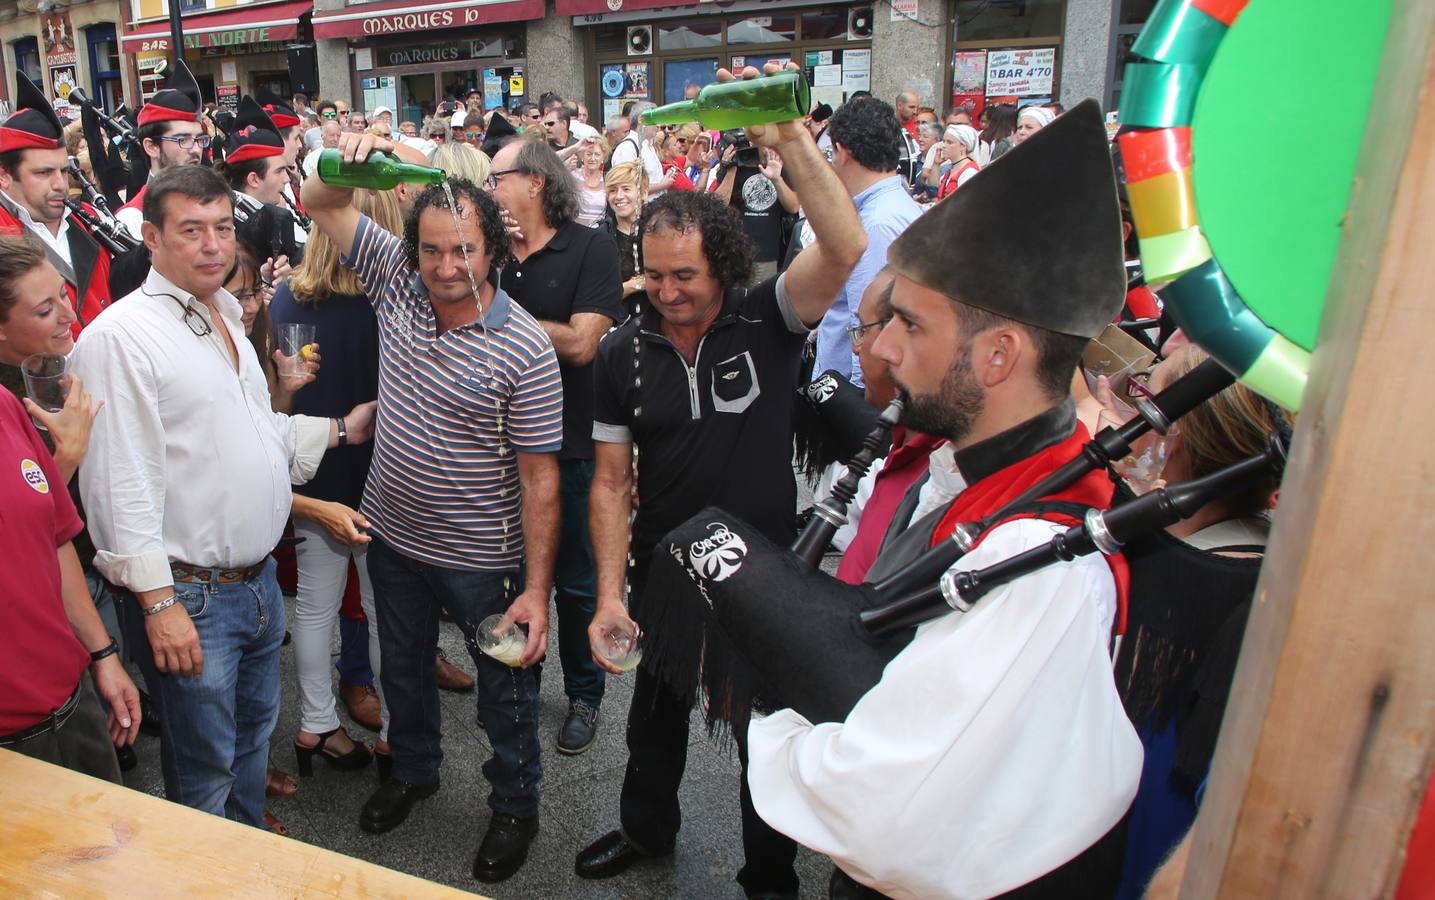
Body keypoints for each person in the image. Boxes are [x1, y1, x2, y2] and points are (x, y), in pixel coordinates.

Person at [737, 100, 1142, 899]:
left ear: (997, 356)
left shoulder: (1039, 562)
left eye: (911, 327)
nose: (881, 348)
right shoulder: (963, 469)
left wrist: (773, 716)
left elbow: (878, 811)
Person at [575, 61, 867, 898]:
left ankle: (769, 876)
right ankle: (644, 830)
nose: (667, 292)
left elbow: (844, 246)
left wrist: (786, 139)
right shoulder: (620, 353)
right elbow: (606, 482)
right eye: (654, 274)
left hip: (767, 571)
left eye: (686, 276)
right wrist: (606, 596)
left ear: (724, 264)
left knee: (764, 738)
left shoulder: (767, 316)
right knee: (653, 724)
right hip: (665, 570)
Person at [72, 165, 376, 829]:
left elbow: (252, 432)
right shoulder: (119, 338)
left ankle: (241, 855)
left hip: (257, 584)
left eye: (222, 228)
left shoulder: (225, 316)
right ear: (150, 237)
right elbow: (117, 484)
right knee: (204, 770)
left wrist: (340, 427)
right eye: (191, 230)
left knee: (245, 748)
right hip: (192, 597)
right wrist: (157, 604)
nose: (214, 245)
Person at [303, 133, 561, 883]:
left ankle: (516, 806)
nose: (447, 267)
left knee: (504, 697)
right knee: (406, 675)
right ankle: (413, 774)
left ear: (495, 252)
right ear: (411, 249)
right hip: (394, 539)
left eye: (466, 251)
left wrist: (536, 590)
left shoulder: (525, 350)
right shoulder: (394, 280)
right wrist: (351, 152)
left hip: (485, 560)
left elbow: (541, 481)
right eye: (433, 250)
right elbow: (319, 194)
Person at [1109, 338, 1287, 900]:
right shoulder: (1283, 572)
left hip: (1130, 847)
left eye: (1145, 403)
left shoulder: (1147, 571)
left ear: (1172, 436)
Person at [487, 137, 624, 755]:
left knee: (571, 580)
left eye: (497, 178)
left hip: (570, 442)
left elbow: (582, 343)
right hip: (495, 446)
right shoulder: (490, 255)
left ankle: (584, 695)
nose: (490, 190)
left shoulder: (592, 246)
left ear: (536, 182)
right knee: (512, 572)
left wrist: (497, 313)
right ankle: (520, 679)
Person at [270, 188, 402, 787]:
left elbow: (283, 393)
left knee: (317, 608)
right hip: (384, 475)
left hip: (314, 472)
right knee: (384, 612)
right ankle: (397, 734)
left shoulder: (287, 296)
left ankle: (317, 723)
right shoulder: (395, 299)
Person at [0, 233, 140, 782]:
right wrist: (71, 456)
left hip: (67, 693)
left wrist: (102, 656)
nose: (67, 312)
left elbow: (53, 536)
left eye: (63, 294)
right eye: (44, 307)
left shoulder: (11, 404)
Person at [818, 97, 923, 386]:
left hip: (850, 391)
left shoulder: (876, 223)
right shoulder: (890, 206)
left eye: (830, 153)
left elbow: (867, 325)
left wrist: (858, 403)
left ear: (842, 152)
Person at [0, 72, 112, 336]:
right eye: (43, 173)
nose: (60, 184)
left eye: (63, 171)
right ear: (4, 176)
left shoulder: (89, 218)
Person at [115, 60, 205, 239]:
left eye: (199, 139)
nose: (196, 149)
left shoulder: (214, 202)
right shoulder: (132, 220)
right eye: (182, 139)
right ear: (151, 147)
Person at [218, 97, 306, 267]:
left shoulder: (265, 215)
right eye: (279, 171)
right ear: (254, 179)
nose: (287, 178)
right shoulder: (228, 225)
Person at [713, 141, 799, 287]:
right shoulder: (731, 168)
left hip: (765, 254)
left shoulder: (777, 165)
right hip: (734, 253)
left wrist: (777, 178)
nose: (752, 146)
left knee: (759, 303)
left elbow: (793, 207)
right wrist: (731, 168)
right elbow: (718, 205)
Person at [602, 161, 648, 315]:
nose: (619, 196)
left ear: (644, 192)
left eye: (626, 189)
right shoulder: (601, 238)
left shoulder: (658, 231)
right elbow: (597, 297)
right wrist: (633, 285)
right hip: (617, 325)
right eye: (613, 190)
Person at [610, 102, 672, 196]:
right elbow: (625, 187)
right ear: (641, 119)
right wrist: (662, 185)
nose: (658, 125)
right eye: (655, 120)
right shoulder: (627, 148)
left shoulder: (648, 145)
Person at [929, 123, 981, 201]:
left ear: (963, 146)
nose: (944, 145)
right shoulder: (953, 168)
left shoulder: (969, 172)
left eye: (949, 142)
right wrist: (936, 164)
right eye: (944, 141)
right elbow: (934, 187)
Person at [572, 137, 610, 228]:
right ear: (582, 156)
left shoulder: (608, 179)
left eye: (597, 154)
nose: (593, 158)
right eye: (589, 154)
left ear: (603, 157)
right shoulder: (573, 176)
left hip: (599, 235)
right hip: (576, 233)